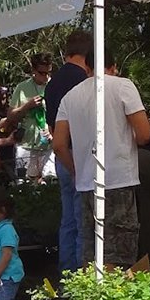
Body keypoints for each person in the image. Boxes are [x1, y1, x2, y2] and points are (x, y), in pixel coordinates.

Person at [52, 61, 150, 269]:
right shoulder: (123, 86)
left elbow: (59, 145)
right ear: (113, 66)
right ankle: (114, 299)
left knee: (91, 251)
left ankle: (92, 297)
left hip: (86, 184)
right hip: (119, 179)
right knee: (118, 253)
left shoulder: (70, 97)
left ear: (87, 68)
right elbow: (144, 135)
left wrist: (76, 171)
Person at [44, 32, 92, 276]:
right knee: (85, 219)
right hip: (80, 155)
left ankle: (67, 275)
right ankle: (82, 276)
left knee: (68, 219)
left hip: (61, 154)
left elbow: (52, 127)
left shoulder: (52, 83)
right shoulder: (85, 80)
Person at [10, 55, 55, 182]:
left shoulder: (54, 85)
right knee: (24, 183)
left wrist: (54, 133)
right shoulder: (22, 88)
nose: (46, 76)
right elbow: (11, 116)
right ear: (33, 71)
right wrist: (26, 106)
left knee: (50, 182)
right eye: (42, 73)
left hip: (49, 144)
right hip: (27, 144)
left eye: (49, 73)